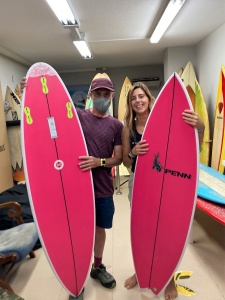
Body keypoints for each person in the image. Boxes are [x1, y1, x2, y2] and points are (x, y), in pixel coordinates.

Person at [20, 77, 123, 300]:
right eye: (99, 94)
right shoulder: (77, 117)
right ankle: (76, 276)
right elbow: (46, 116)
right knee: (76, 231)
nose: (102, 98)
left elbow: (119, 159)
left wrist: (99, 162)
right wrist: (28, 94)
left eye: (107, 94)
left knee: (98, 230)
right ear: (91, 95)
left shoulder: (116, 125)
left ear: (112, 96)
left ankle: (97, 267)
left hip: (103, 187)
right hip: (75, 187)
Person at [122, 81, 205, 300]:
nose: (138, 100)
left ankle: (168, 278)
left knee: (167, 230)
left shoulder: (166, 120)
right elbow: (126, 163)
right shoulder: (128, 128)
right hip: (139, 184)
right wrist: (133, 153)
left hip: (166, 183)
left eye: (141, 96)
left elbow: (193, 147)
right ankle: (141, 272)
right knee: (142, 230)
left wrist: (200, 125)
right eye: (133, 98)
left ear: (148, 99)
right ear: (130, 103)